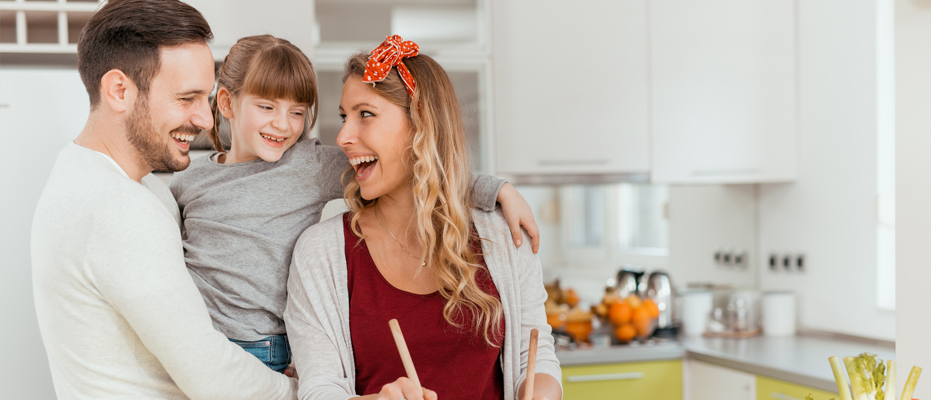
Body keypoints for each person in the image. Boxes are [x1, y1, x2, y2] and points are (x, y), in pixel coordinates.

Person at [169, 35, 539, 373]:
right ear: (227, 103)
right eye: (267, 107)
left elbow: (418, 167)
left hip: (266, 348)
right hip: (195, 338)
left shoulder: (308, 165)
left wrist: (496, 190)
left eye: (297, 112)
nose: (282, 125)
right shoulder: (188, 181)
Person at [30, 1, 296, 398]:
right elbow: (213, 375)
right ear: (119, 90)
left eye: (206, 98)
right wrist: (305, 391)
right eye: (186, 98)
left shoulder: (102, 176)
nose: (206, 120)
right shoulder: (117, 209)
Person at [284, 36, 562, 400]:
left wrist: (540, 392)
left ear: (421, 124)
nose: (343, 136)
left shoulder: (502, 233)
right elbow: (320, 389)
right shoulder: (320, 253)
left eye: (365, 114)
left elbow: (534, 355)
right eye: (344, 116)